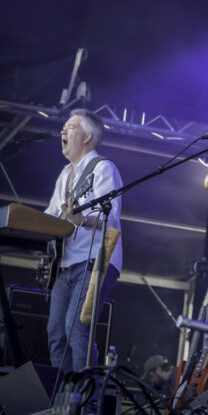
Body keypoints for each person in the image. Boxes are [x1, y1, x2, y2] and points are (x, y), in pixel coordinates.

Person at [44, 109, 123, 373]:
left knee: (76, 329)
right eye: (64, 127)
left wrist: (81, 219)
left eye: (71, 127)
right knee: (56, 334)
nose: (63, 131)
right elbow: (51, 215)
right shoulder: (65, 174)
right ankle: (62, 396)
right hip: (65, 263)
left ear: (88, 137)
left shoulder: (103, 168)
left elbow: (109, 217)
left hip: (95, 260)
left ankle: (83, 397)